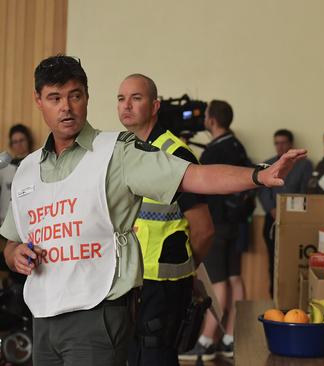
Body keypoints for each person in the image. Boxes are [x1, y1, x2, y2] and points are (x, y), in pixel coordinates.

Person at [0, 55, 305, 366]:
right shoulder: (27, 170)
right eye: (54, 98)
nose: (66, 107)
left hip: (96, 317)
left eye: (74, 96)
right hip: (43, 318)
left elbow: (194, 176)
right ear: (38, 101)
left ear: (87, 98)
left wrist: (258, 175)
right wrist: (15, 255)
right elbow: (12, 241)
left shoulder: (116, 153)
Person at [116, 74, 215, 366]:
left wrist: (184, 273)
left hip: (163, 284)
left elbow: (204, 230)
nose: (127, 106)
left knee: (154, 356)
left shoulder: (175, 155)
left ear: (155, 105)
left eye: (136, 98)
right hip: (132, 280)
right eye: (121, 99)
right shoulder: (123, 151)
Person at [179, 100, 252, 361]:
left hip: (217, 225)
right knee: (234, 279)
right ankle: (231, 337)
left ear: (211, 120)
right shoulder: (237, 146)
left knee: (218, 284)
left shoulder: (212, 153)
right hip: (237, 224)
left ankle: (207, 340)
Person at [258, 129, 312, 295]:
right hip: (272, 220)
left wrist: (289, 215)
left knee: (293, 262)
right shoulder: (266, 164)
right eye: (277, 143)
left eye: (283, 143)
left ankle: (294, 296)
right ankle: (274, 296)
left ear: (291, 144)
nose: (280, 146)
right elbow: (262, 192)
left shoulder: (304, 165)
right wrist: (273, 210)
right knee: (273, 262)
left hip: (296, 221)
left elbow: (305, 192)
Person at [0, 124, 35, 224]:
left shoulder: (36, 163)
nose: (19, 144)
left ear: (28, 141)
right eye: (15, 142)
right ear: (11, 144)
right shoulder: (4, 167)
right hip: (5, 222)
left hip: (29, 221)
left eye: (22, 140)